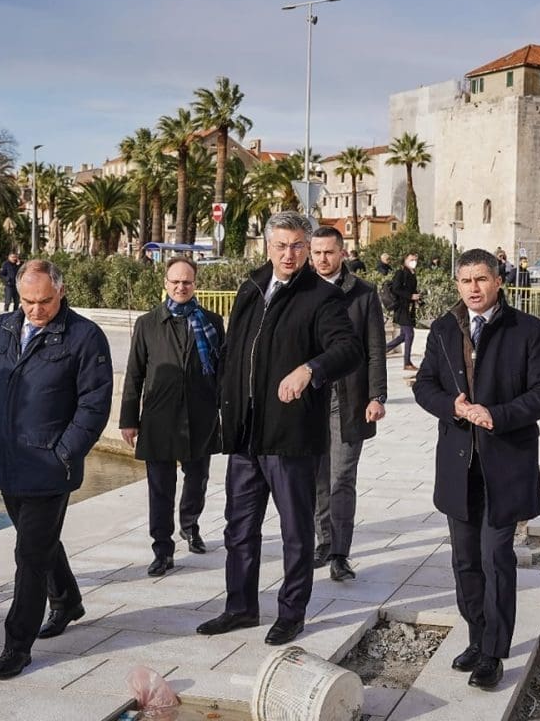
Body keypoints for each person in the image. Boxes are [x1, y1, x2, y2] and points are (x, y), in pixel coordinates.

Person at [196, 211, 360, 647]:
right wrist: (221, 405)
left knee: (294, 530)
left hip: (290, 437)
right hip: (245, 434)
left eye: (297, 246)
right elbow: (234, 353)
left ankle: (292, 612)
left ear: (308, 249)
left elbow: (348, 349)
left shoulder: (322, 297)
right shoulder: (250, 288)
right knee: (239, 527)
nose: (289, 254)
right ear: (267, 246)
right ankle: (240, 606)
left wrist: (310, 369)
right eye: (281, 246)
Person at [413, 248, 540, 691]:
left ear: (498, 281)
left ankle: (495, 652)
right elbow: (424, 385)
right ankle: (477, 636)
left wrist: (498, 414)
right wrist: (451, 406)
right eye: (465, 280)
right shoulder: (442, 329)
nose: (473, 288)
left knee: (496, 557)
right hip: (458, 466)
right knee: (464, 561)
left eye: (481, 279)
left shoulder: (527, 331)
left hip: (504, 463)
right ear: (457, 284)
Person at [0, 259, 113, 680]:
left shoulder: (85, 337)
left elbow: (93, 405)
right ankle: (67, 599)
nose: (35, 309)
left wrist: (63, 453)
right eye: (28, 301)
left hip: (50, 467)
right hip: (6, 461)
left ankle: (17, 646)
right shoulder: (2, 328)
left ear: (61, 292)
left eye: (44, 301)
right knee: (39, 542)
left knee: (28, 555)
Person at [119, 257, 224, 576]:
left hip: (201, 414)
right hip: (159, 417)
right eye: (175, 281)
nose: (181, 287)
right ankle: (162, 549)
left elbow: (223, 370)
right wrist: (128, 418)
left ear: (195, 285)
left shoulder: (211, 322)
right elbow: (135, 373)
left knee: (198, 479)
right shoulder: (148, 323)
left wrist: (230, 412)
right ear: (165, 283)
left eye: (187, 282)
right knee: (160, 487)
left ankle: (190, 526)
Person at [308, 227, 387, 581]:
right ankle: (323, 541)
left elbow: (375, 349)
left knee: (342, 477)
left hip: (349, 399)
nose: (323, 259)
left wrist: (376, 396)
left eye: (329, 252)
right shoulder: (301, 291)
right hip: (309, 399)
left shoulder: (363, 294)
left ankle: (339, 553)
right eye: (317, 253)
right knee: (316, 479)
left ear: (342, 253)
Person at [384, 253, 420, 371]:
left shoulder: (412, 273)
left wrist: (418, 298)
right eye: (411, 259)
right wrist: (410, 296)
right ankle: (407, 362)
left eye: (415, 259)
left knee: (404, 335)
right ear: (405, 260)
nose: (414, 261)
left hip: (409, 308)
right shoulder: (401, 273)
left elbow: (412, 289)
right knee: (409, 334)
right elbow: (396, 288)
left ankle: (382, 350)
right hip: (402, 308)